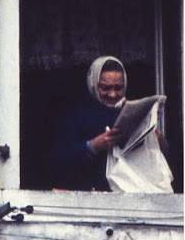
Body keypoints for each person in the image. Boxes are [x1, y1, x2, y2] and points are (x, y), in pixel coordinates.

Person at [47, 56, 168, 191]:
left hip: (135, 195)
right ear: (93, 84)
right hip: (92, 199)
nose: (112, 94)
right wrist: (92, 146)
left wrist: (159, 140)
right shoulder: (75, 115)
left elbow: (166, 162)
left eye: (118, 88)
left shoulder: (131, 112)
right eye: (105, 88)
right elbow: (56, 162)